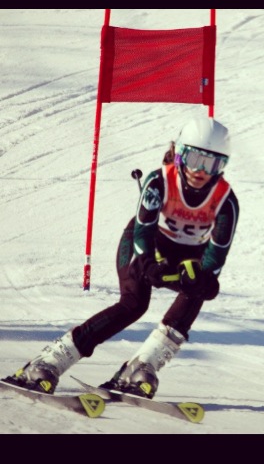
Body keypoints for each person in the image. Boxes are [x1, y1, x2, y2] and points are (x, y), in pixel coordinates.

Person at [4, 116, 240, 399]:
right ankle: (49, 362)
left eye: (212, 163)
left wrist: (206, 277)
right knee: (133, 304)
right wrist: (148, 262)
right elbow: (143, 231)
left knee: (195, 291)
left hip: (187, 254)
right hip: (147, 244)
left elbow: (217, 254)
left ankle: (143, 366)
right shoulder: (159, 181)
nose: (200, 171)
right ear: (180, 154)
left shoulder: (226, 200)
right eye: (195, 159)